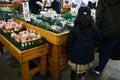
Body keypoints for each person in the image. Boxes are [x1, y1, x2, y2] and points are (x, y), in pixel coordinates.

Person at [65, 6, 103, 80]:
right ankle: (83, 77)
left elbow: (69, 41)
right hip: (88, 54)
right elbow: (100, 38)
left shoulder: (75, 28)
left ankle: (72, 78)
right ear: (89, 15)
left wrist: (67, 52)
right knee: (85, 68)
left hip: (75, 54)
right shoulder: (93, 27)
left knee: (73, 69)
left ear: (78, 14)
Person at [91, 0, 120, 77]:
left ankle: (98, 69)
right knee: (108, 49)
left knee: (103, 49)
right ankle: (100, 67)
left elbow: (99, 14)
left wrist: (98, 27)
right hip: (118, 31)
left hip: (106, 29)